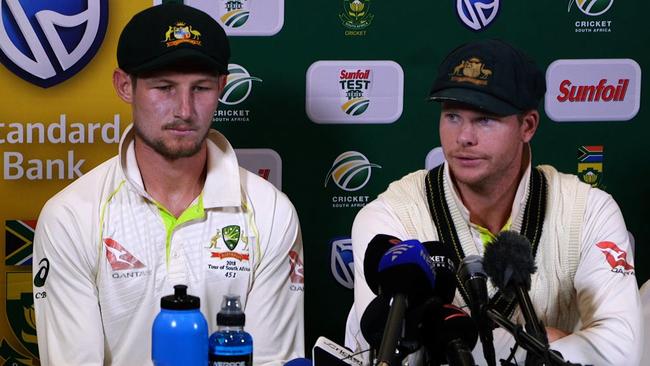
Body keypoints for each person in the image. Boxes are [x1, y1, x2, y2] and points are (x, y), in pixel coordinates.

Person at [32, 3, 304, 365]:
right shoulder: (70, 216)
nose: (185, 110)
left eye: (201, 88)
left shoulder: (270, 211)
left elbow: (271, 360)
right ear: (124, 86)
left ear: (223, 87)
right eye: (164, 87)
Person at [345, 39, 642, 365]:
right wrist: (544, 342)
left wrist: (454, 343)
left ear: (527, 126)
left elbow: (620, 354)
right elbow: (402, 356)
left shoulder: (589, 211)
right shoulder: (389, 214)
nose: (464, 137)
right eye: (453, 115)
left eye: (485, 118)